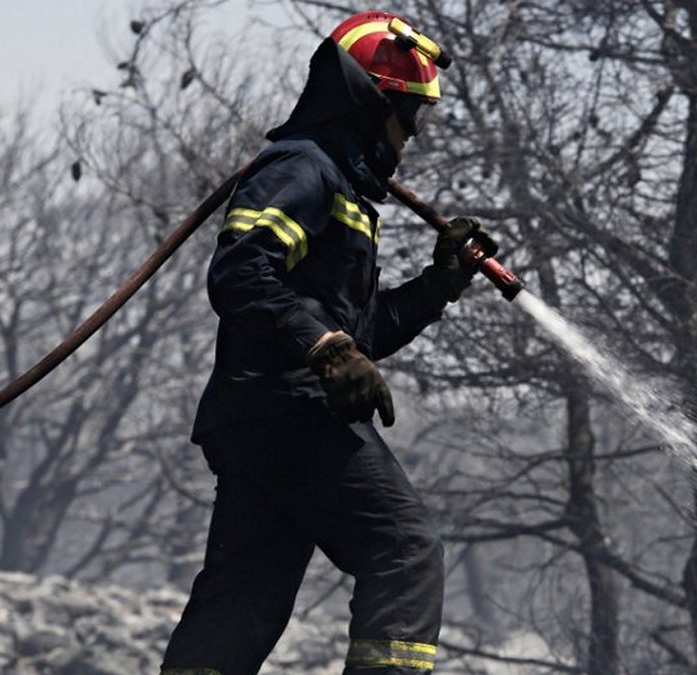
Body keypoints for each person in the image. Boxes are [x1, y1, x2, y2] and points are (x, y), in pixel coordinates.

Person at [160, 11, 496, 675]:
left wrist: (440, 284)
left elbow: (360, 335)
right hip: (290, 410)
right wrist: (328, 350)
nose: (413, 137)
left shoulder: (339, 191)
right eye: (411, 118)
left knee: (242, 601)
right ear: (372, 106)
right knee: (405, 548)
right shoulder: (303, 168)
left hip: (258, 417)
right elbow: (240, 269)